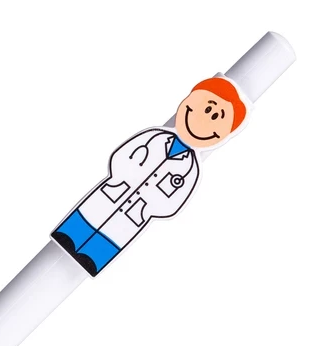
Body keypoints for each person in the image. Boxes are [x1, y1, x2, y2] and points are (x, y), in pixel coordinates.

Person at [52, 77, 249, 276]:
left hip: (133, 218)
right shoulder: (154, 136)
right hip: (110, 194)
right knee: (77, 227)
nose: (206, 119)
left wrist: (149, 206)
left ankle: (92, 257)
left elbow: (173, 204)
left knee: (99, 249)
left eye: (217, 118)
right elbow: (122, 155)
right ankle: (70, 235)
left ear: (222, 135)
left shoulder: (191, 170)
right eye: (207, 109)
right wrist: (122, 178)